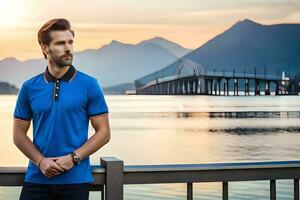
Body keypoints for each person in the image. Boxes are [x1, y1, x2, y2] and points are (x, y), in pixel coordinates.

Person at [13, 18, 111, 200]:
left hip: (75, 181)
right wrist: (41, 162)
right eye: (60, 43)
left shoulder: (89, 85)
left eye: (70, 42)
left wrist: (74, 158)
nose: (68, 48)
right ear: (45, 48)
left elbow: (104, 132)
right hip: (37, 180)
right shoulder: (29, 87)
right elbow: (18, 134)